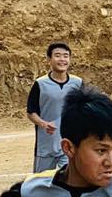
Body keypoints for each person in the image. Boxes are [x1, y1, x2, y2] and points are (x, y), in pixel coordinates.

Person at [29, 42, 82, 171]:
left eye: (66, 56)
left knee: (73, 182)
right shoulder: (40, 84)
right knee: (40, 184)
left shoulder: (78, 83)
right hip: (46, 145)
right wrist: (43, 124)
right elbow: (31, 112)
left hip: (69, 144)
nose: (62, 59)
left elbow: (85, 109)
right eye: (57, 56)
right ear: (49, 59)